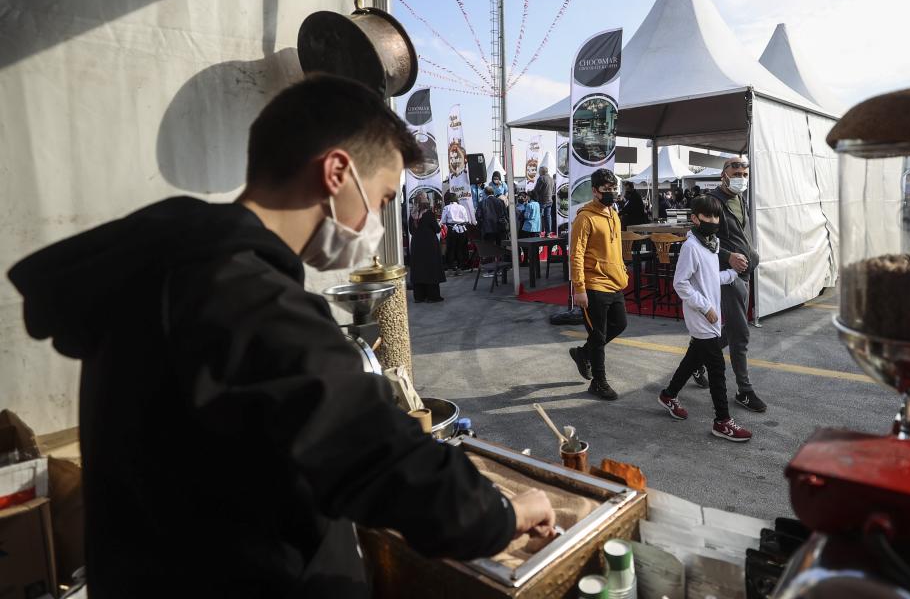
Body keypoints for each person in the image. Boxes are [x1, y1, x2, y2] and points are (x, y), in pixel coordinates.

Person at [7, 75, 554, 597]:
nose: (377, 223)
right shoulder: (242, 296)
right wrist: (503, 512)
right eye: (384, 199)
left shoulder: (167, 272)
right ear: (336, 172)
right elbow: (380, 457)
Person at [658, 196, 753, 442]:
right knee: (717, 367)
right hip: (701, 316)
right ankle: (722, 421)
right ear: (695, 218)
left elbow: (709, 278)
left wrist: (732, 273)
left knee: (693, 359)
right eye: (707, 216)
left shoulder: (712, 244)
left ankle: (669, 394)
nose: (713, 220)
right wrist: (705, 307)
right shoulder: (691, 247)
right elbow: (680, 283)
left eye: (716, 216)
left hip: (711, 315)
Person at [703, 156, 767, 413]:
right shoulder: (712, 202)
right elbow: (701, 239)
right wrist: (727, 256)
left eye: (744, 174)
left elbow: (743, 232)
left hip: (745, 271)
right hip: (728, 273)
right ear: (724, 174)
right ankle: (744, 390)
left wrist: (752, 255)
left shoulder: (740, 198)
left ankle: (698, 358)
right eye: (736, 172)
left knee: (732, 329)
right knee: (740, 332)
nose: (741, 177)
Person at [567, 168, 628, 400]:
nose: (611, 192)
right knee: (598, 335)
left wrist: (622, 270)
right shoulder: (584, 218)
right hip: (594, 285)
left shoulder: (613, 214)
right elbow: (576, 254)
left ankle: (583, 353)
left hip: (615, 283)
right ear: (595, 191)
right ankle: (599, 382)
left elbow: (615, 248)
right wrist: (579, 288)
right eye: (606, 189)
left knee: (620, 324)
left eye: (613, 188)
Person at [410, 205, 445, 302]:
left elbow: (411, 231)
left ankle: (419, 296)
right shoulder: (429, 214)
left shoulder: (412, 215)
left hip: (416, 245)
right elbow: (437, 229)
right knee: (431, 269)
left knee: (418, 269)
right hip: (429, 245)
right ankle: (432, 296)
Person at [440, 191, 473, 276]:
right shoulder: (462, 207)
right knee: (460, 248)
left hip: (452, 230)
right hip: (462, 230)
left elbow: (443, 220)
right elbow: (466, 220)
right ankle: (459, 268)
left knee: (451, 249)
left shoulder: (447, 207)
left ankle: (451, 269)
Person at [533, 165, 555, 235]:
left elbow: (536, 190)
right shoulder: (551, 179)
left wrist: (530, 192)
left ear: (542, 171)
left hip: (542, 200)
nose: (538, 172)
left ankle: (538, 232)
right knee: (548, 217)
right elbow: (553, 190)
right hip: (550, 200)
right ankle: (548, 232)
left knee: (539, 217)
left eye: (539, 171)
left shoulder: (541, 178)